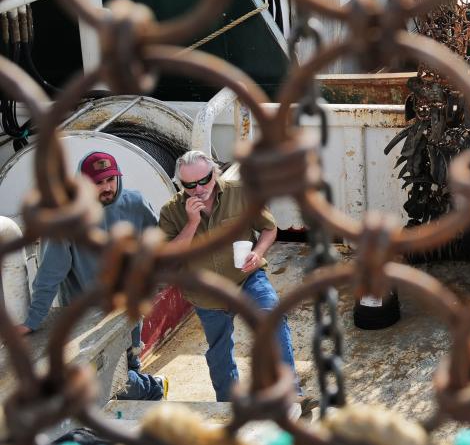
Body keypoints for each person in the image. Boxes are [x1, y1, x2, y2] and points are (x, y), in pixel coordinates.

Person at [16, 151, 169, 401]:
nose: (107, 187)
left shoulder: (136, 203)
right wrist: (32, 320)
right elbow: (49, 274)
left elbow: (157, 248)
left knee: (131, 366)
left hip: (130, 309)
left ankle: (142, 395)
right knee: (110, 381)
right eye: (98, 182)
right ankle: (155, 388)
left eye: (111, 179)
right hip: (88, 318)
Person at [158, 150, 302, 404]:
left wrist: (257, 253)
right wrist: (191, 223)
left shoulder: (241, 193)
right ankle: (229, 405)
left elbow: (269, 229)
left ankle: (291, 395)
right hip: (207, 292)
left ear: (215, 172)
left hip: (246, 278)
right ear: (181, 184)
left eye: (204, 180)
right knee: (220, 352)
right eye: (189, 185)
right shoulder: (171, 211)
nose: (198, 189)